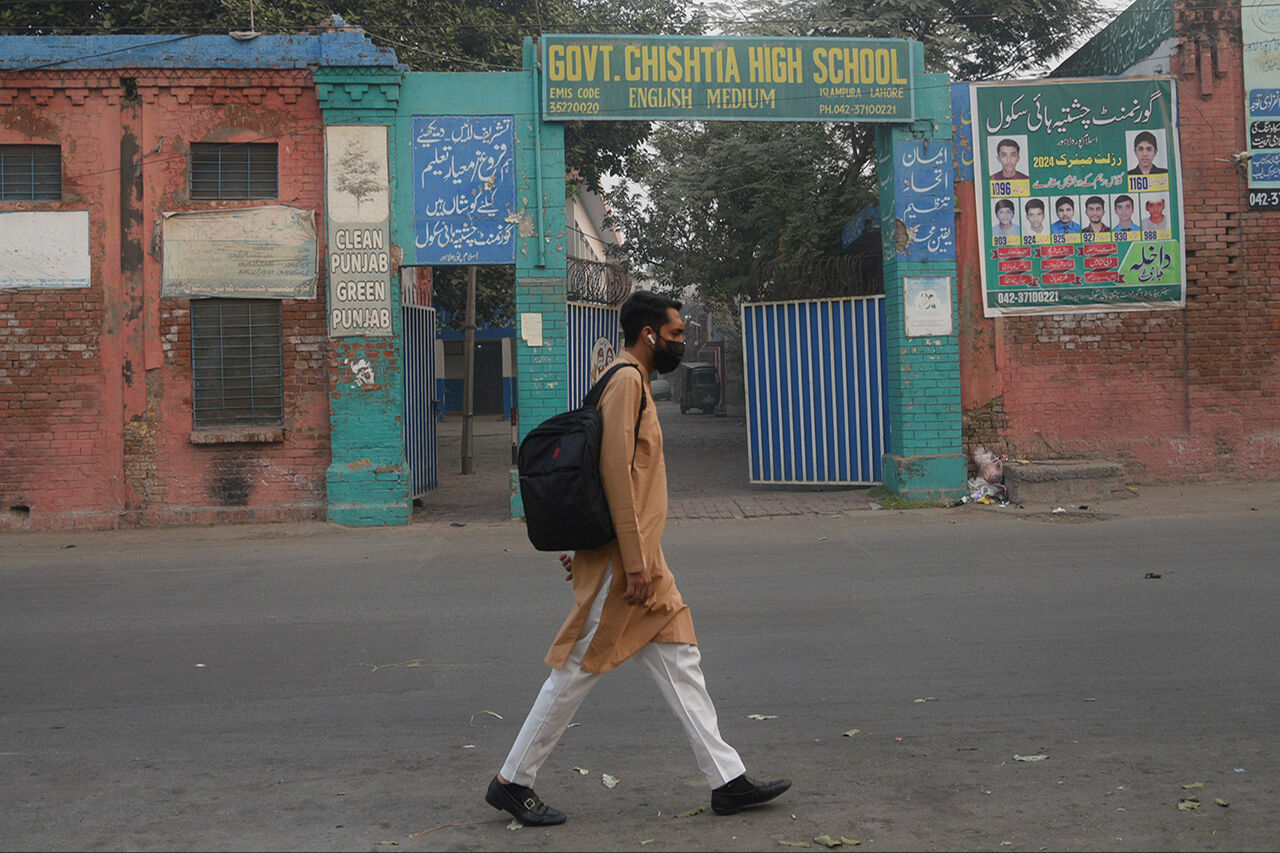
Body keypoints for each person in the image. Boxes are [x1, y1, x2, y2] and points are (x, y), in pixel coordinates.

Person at [485, 290, 791, 827]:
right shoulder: (627, 380)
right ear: (649, 334)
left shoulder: (629, 380)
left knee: (680, 658)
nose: (680, 342)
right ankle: (513, 781)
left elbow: (604, 473)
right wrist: (630, 562)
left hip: (643, 554)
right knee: (579, 667)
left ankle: (728, 780)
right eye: (675, 334)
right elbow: (612, 472)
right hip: (628, 561)